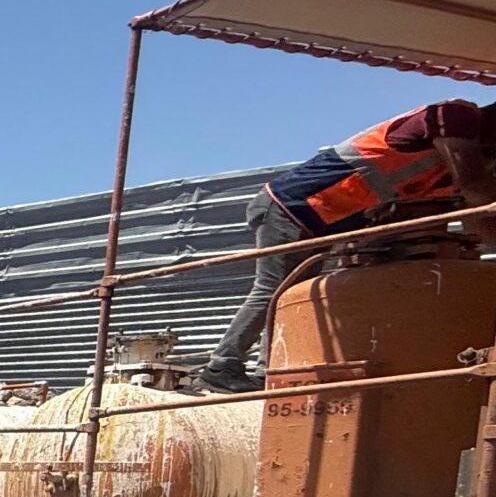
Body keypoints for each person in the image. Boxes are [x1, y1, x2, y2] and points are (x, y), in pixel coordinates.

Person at [198, 99, 496, 392]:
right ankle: (222, 366)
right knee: (274, 289)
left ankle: (268, 371)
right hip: (293, 205)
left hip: (324, 218)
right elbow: (475, 191)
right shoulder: (455, 117)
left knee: (292, 294)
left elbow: (470, 216)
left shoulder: (459, 164)